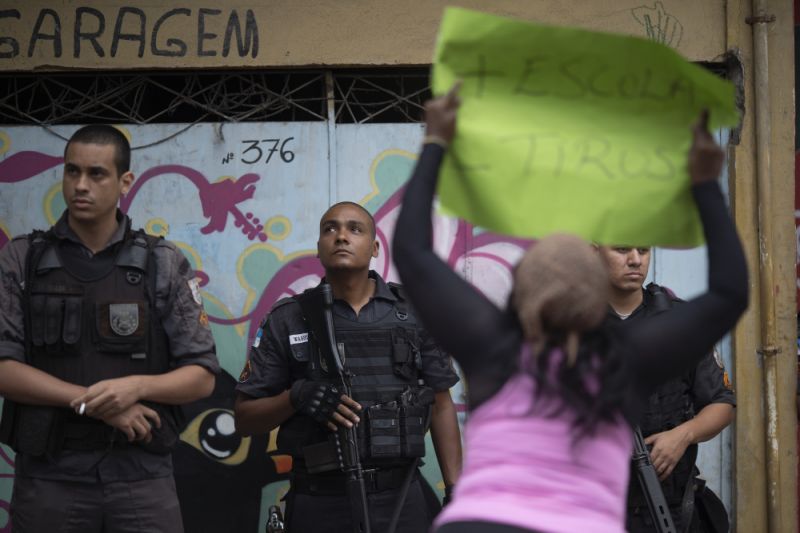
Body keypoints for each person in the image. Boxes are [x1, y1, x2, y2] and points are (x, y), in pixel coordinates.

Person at [391, 84, 748, 533]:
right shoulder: (628, 358)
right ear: (591, 286)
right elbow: (730, 293)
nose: (635, 257)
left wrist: (436, 143)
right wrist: (703, 183)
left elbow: (412, 252)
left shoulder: (488, 344)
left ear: (520, 295)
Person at [0, 125, 219, 533]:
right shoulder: (22, 260)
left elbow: (202, 375)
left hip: (141, 477)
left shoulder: (163, 263)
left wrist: (134, 388)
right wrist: (98, 404)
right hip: (51, 477)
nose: (80, 185)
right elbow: (4, 368)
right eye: (72, 172)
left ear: (124, 181)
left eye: (96, 174)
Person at [234, 201, 462, 533]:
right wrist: (295, 398)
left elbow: (441, 405)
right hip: (319, 500)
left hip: (400, 498)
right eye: (330, 229)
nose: (341, 236)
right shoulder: (288, 319)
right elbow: (244, 419)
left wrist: (455, 491)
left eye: (355, 229)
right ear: (318, 248)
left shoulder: (415, 314)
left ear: (374, 247)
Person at [597, 245, 735, 532]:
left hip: (670, 512)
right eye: (622, 249)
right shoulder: (570, 325)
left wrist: (682, 435)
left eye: (644, 250)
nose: (635, 260)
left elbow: (722, 404)